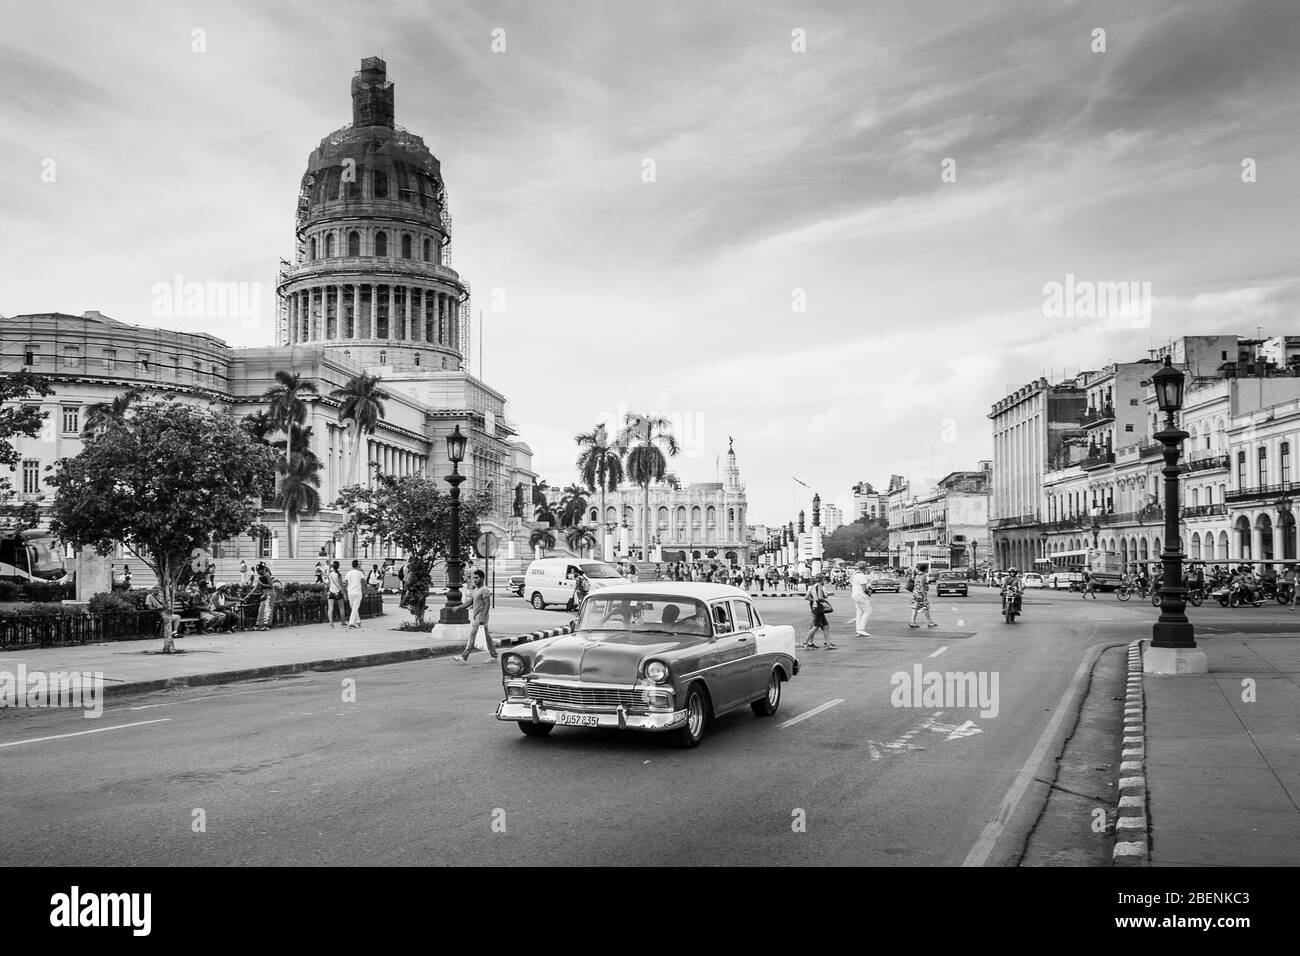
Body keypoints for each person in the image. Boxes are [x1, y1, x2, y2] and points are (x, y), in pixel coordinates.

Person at [451, 569, 497, 664]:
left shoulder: (485, 590)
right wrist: (459, 607)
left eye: (477, 578)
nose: (474, 580)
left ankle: (464, 656)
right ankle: (494, 656)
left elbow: (487, 604)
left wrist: (483, 617)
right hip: (477, 617)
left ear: (482, 578)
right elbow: (470, 602)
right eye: (473, 578)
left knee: (472, 636)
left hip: (481, 617)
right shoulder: (477, 589)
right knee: (488, 638)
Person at [804, 574, 835, 649]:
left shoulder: (813, 586)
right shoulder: (820, 586)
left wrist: (814, 600)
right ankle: (805, 642)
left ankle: (828, 644)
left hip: (815, 607)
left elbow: (806, 597)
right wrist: (825, 600)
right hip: (819, 608)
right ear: (822, 580)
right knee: (815, 627)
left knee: (826, 626)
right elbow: (820, 597)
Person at [909, 562, 938, 629]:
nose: (928, 569)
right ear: (924, 569)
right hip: (920, 594)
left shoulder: (917, 575)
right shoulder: (923, 576)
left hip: (915, 593)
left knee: (915, 607)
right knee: (926, 607)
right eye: (927, 568)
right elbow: (922, 586)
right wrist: (924, 595)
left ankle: (912, 622)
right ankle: (930, 622)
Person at [850, 561, 873, 637]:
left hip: (855, 594)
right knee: (868, 611)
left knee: (859, 612)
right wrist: (868, 592)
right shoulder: (861, 575)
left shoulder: (854, 574)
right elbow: (864, 588)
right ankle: (861, 629)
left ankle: (858, 630)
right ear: (865, 568)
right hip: (860, 595)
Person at [253, 562, 276, 631]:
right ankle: (259, 624)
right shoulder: (260, 577)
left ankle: (266, 625)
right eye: (256, 571)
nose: (257, 572)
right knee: (261, 609)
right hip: (265, 593)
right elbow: (256, 587)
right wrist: (248, 595)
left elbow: (271, 586)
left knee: (267, 609)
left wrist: (262, 584)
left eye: (258, 570)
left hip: (270, 593)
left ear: (262, 569)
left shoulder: (267, 575)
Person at [344, 559, 366, 628]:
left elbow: (346, 583)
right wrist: (364, 590)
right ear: (357, 565)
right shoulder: (360, 573)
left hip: (350, 592)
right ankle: (351, 623)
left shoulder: (348, 573)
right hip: (357, 592)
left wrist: (345, 592)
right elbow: (363, 583)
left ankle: (358, 621)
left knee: (353, 607)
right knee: (355, 608)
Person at [326, 560, 346, 628]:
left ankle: (331, 623)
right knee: (341, 608)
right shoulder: (339, 575)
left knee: (330, 608)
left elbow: (328, 583)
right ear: (338, 567)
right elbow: (341, 585)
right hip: (338, 592)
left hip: (331, 592)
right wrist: (344, 593)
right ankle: (343, 622)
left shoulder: (330, 574)